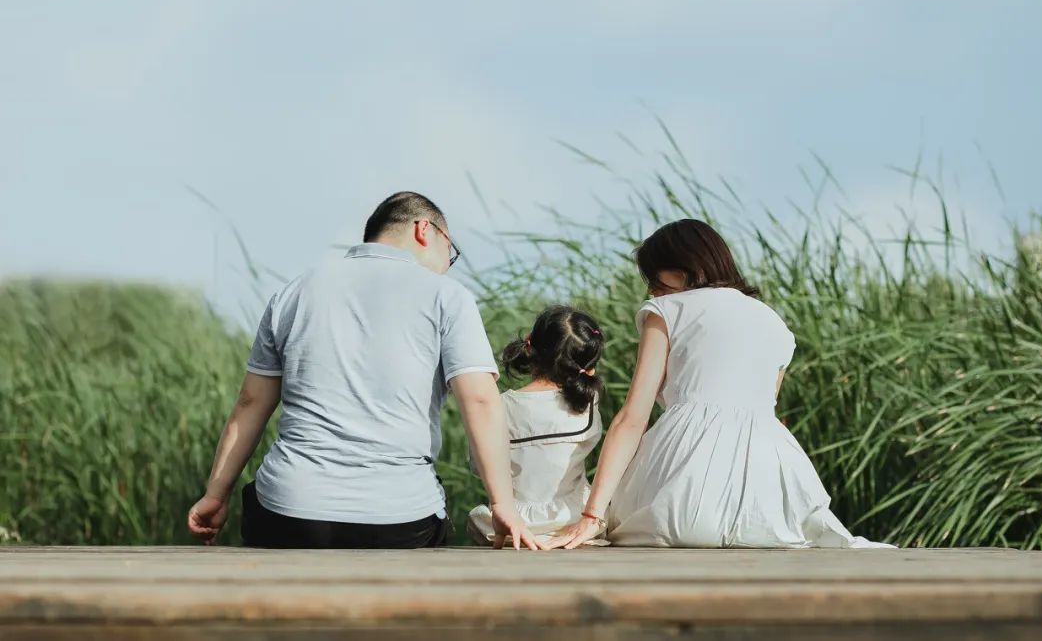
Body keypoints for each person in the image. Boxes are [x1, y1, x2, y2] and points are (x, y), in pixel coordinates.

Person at [186, 191, 541, 550]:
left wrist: (216, 495)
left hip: (288, 515)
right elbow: (480, 400)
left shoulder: (293, 293)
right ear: (424, 230)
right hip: (401, 520)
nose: (449, 264)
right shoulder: (448, 296)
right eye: (450, 250)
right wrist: (503, 504)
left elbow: (250, 403)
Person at [548, 219, 893, 549]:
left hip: (682, 495)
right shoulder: (774, 322)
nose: (651, 287)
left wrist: (592, 515)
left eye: (654, 276)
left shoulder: (666, 309)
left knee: (635, 518)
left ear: (685, 269)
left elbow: (632, 418)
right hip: (774, 503)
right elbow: (764, 412)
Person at [467, 306, 608, 547]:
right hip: (572, 518)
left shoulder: (501, 406)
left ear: (530, 347)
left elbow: (478, 466)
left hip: (513, 523)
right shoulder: (587, 403)